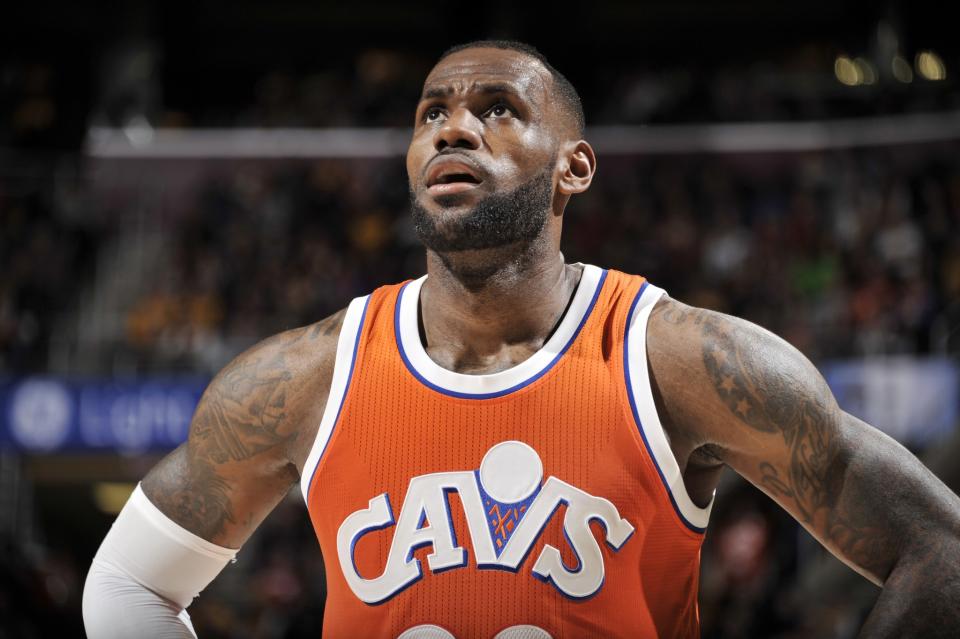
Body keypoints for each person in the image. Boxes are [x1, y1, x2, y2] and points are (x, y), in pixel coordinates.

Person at [83, 40, 960, 639]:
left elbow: (939, 548)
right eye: (432, 114)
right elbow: (127, 586)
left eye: (498, 109)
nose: (453, 128)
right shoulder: (302, 376)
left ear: (573, 165)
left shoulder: (683, 360)